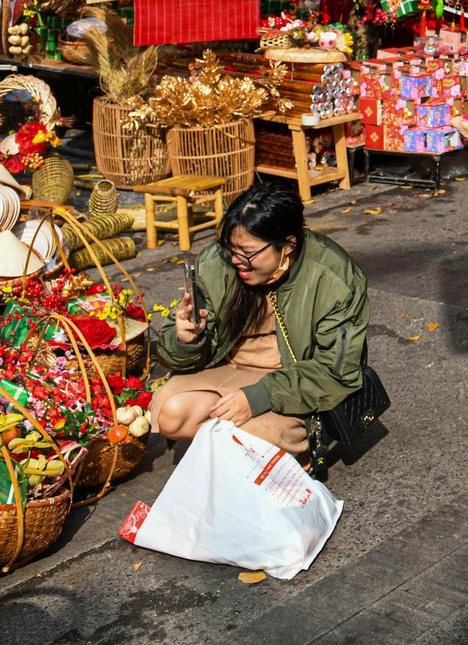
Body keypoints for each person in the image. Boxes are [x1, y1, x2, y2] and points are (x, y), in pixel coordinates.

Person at [152, 181, 371, 461]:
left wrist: (257, 398)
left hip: (292, 383)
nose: (236, 261)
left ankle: (254, 456)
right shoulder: (216, 263)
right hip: (228, 368)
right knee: (172, 415)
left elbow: (335, 371)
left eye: (248, 254)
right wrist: (185, 341)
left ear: (288, 244)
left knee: (241, 439)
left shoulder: (335, 278)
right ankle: (246, 457)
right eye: (231, 249)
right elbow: (175, 350)